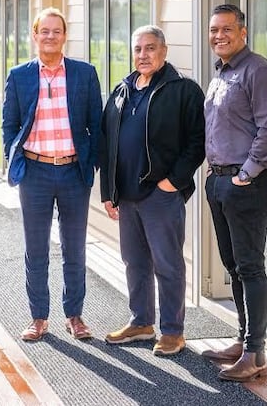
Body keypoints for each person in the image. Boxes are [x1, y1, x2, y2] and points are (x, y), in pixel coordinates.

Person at [100, 25, 205, 356]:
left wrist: (173, 181)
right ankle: (142, 322)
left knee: (168, 264)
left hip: (160, 196)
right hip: (127, 197)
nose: (143, 55)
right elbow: (108, 144)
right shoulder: (121, 91)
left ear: (164, 51)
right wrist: (109, 190)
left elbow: (198, 141)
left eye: (149, 48)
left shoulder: (183, 90)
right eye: (137, 49)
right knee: (134, 262)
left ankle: (173, 331)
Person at [3, 7, 102, 342]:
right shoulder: (19, 75)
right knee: (36, 249)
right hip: (35, 173)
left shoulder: (84, 73)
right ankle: (38, 317)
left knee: (75, 248)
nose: (50, 36)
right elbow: (9, 125)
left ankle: (75, 316)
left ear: (64, 35)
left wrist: (93, 165)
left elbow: (96, 125)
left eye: (56, 31)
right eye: (44, 31)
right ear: (35, 35)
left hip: (73, 172)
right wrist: (13, 159)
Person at [201, 4, 267, 381]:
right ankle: (242, 339)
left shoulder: (259, 71)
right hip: (220, 181)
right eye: (214, 30)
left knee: (250, 266)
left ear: (243, 32)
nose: (219, 36)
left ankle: (256, 353)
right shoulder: (221, 74)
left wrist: (246, 175)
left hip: (247, 183)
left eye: (227, 29)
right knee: (233, 266)